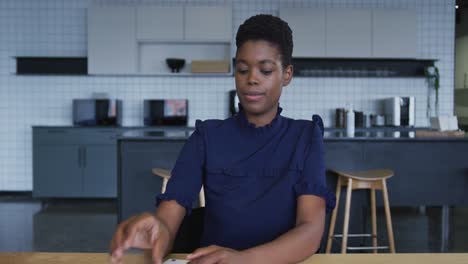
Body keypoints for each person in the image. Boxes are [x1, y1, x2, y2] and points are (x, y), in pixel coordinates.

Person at [110, 14, 335, 264]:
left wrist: (243, 260)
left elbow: (310, 231)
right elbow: (169, 215)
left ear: (287, 74)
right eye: (242, 69)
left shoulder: (305, 136)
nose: (252, 78)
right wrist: (158, 231)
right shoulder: (207, 136)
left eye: (266, 70)